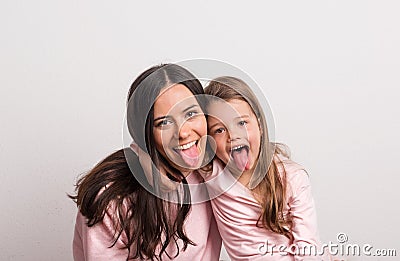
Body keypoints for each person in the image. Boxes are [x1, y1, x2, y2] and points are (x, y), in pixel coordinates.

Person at [70, 64, 221, 261]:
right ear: (144, 133)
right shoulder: (112, 198)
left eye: (191, 114)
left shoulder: (216, 173)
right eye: (164, 123)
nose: (183, 132)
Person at [203, 76, 332, 260]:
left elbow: (308, 248)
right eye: (219, 130)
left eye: (241, 123)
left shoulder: (292, 178)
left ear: (260, 125)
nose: (234, 135)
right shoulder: (212, 173)